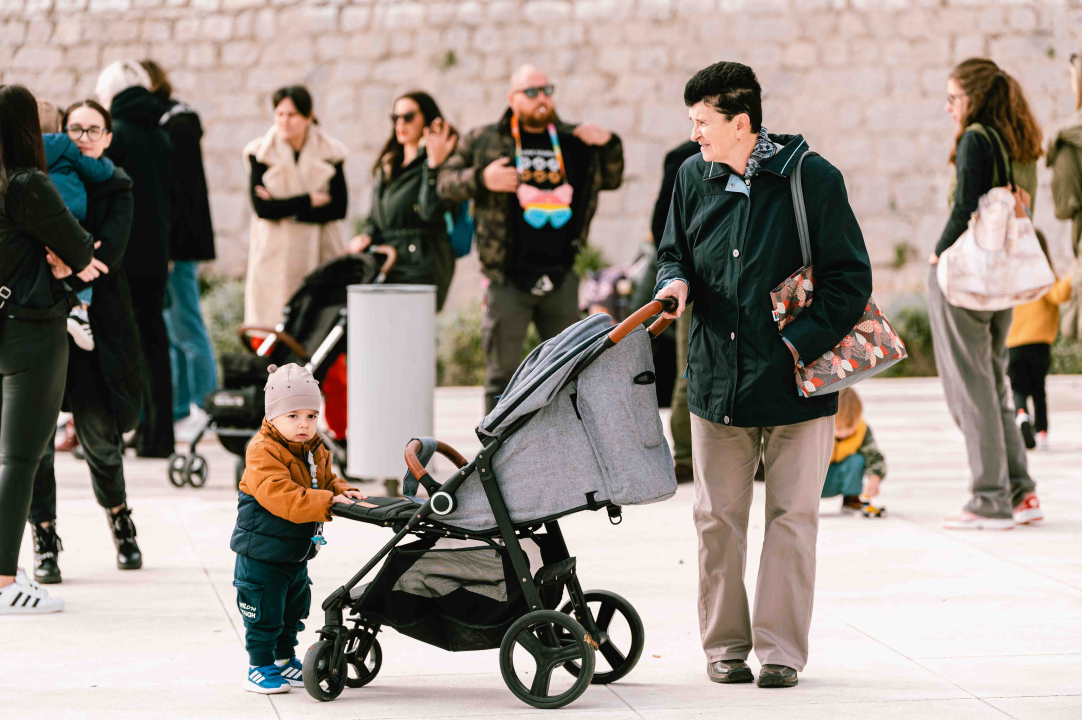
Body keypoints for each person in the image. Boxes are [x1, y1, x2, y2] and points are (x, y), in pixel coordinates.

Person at [654, 62, 872, 688]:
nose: (694, 134)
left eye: (702, 122)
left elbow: (850, 280)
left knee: (792, 519)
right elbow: (674, 250)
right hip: (715, 380)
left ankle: (780, 652)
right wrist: (672, 282)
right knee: (715, 520)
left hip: (795, 386)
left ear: (740, 122)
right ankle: (725, 646)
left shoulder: (812, 177)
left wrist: (796, 344)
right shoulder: (691, 177)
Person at [437, 64, 624, 412]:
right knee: (501, 375)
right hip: (506, 279)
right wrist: (482, 178)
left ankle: (562, 456)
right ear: (512, 98)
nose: (542, 99)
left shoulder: (572, 139)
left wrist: (610, 143)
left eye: (547, 90)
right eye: (532, 92)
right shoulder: (485, 139)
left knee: (567, 371)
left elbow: (611, 179)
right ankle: (493, 459)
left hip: (561, 276)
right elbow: (445, 183)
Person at [28, 99, 144, 585]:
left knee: (99, 438)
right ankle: (45, 539)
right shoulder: (45, 176)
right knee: (36, 445)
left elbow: (108, 252)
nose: (83, 136)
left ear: (109, 137)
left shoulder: (116, 186)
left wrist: (63, 260)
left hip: (98, 328)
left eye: (93, 129)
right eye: (74, 128)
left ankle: (120, 521)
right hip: (44, 321)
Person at [928, 58, 1044, 530]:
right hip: (1001, 283)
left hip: (966, 281)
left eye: (953, 98)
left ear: (973, 98)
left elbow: (962, 210)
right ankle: (1021, 491)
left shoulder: (976, 137)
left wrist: (936, 256)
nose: (948, 107)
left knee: (970, 392)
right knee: (994, 386)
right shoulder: (1019, 142)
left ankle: (988, 498)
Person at [0, 84, 96, 614]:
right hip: (31, 328)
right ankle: (3, 581)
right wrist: (56, 253)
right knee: (20, 458)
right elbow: (81, 250)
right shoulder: (28, 184)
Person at [231, 363, 366, 693]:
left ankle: (282, 659)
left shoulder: (314, 445)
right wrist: (326, 502)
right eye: (293, 416)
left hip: (294, 551)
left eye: (310, 415)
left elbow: (324, 478)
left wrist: (339, 489)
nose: (303, 424)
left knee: (292, 610)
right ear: (272, 416)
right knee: (264, 613)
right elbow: (282, 495)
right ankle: (259, 665)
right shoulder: (263, 451)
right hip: (261, 554)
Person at [96, 60, 176, 458]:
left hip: (125, 252)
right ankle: (160, 435)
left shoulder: (120, 135)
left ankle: (129, 428)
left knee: (126, 343)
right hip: (157, 252)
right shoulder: (161, 134)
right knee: (155, 340)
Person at [140, 60, 219, 441]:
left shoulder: (177, 125)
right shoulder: (174, 123)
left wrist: (168, 246)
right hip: (173, 246)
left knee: (187, 328)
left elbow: (179, 196)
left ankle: (208, 405)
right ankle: (184, 407)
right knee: (175, 331)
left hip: (177, 248)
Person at [243, 86, 348, 328]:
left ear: (308, 117)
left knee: (317, 327)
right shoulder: (259, 152)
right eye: (279, 114)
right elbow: (263, 209)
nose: (284, 121)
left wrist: (283, 207)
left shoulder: (332, 153)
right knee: (270, 325)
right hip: (273, 253)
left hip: (319, 250)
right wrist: (309, 200)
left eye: (292, 115)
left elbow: (338, 208)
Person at [349, 91, 459, 311]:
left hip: (420, 266)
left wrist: (433, 166)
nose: (400, 123)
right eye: (395, 118)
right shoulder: (389, 163)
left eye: (408, 117)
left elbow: (430, 212)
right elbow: (377, 217)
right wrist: (367, 236)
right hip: (387, 263)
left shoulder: (442, 162)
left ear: (426, 119)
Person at [37, 99, 115, 352]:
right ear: (60, 126)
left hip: (43, 212)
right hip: (71, 212)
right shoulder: (65, 146)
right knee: (85, 251)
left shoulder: (25, 151)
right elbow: (94, 170)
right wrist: (108, 164)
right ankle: (80, 311)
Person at [651, 139, 701, 483]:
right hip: (694, 284)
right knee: (690, 367)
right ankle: (684, 455)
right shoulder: (683, 159)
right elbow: (662, 225)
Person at [1007, 257, 1072, 451]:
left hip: (1013, 344)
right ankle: (1042, 433)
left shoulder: (1011, 273)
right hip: (1039, 344)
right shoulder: (1042, 273)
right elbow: (1060, 295)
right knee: (1038, 391)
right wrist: (1074, 272)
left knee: (1018, 390)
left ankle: (1021, 415)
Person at [823, 389, 887, 515]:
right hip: (814, 482)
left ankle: (851, 499)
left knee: (857, 459)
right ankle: (802, 503)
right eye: (839, 428)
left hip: (839, 479)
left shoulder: (862, 430)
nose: (845, 433)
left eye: (850, 427)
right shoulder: (818, 430)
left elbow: (873, 456)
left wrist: (875, 477)